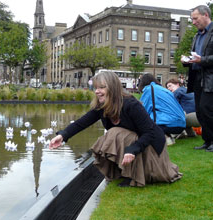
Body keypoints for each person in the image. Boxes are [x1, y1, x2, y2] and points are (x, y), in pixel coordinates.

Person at [49, 71, 182, 187]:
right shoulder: (102, 106)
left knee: (115, 133)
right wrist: (63, 135)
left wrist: (133, 150)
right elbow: (81, 123)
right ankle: (126, 172)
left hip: (150, 146)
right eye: (96, 87)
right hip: (135, 144)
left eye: (102, 87)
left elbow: (150, 132)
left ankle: (134, 174)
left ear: (112, 88)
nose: (97, 91)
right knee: (115, 134)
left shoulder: (130, 104)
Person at [181, 5, 213, 152]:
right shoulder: (196, 36)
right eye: (192, 19)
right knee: (200, 110)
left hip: (210, 77)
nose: (193, 22)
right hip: (198, 77)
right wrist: (187, 60)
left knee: (207, 109)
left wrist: (202, 60)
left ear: (205, 15)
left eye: (195, 18)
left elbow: (204, 58)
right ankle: (207, 141)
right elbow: (196, 56)